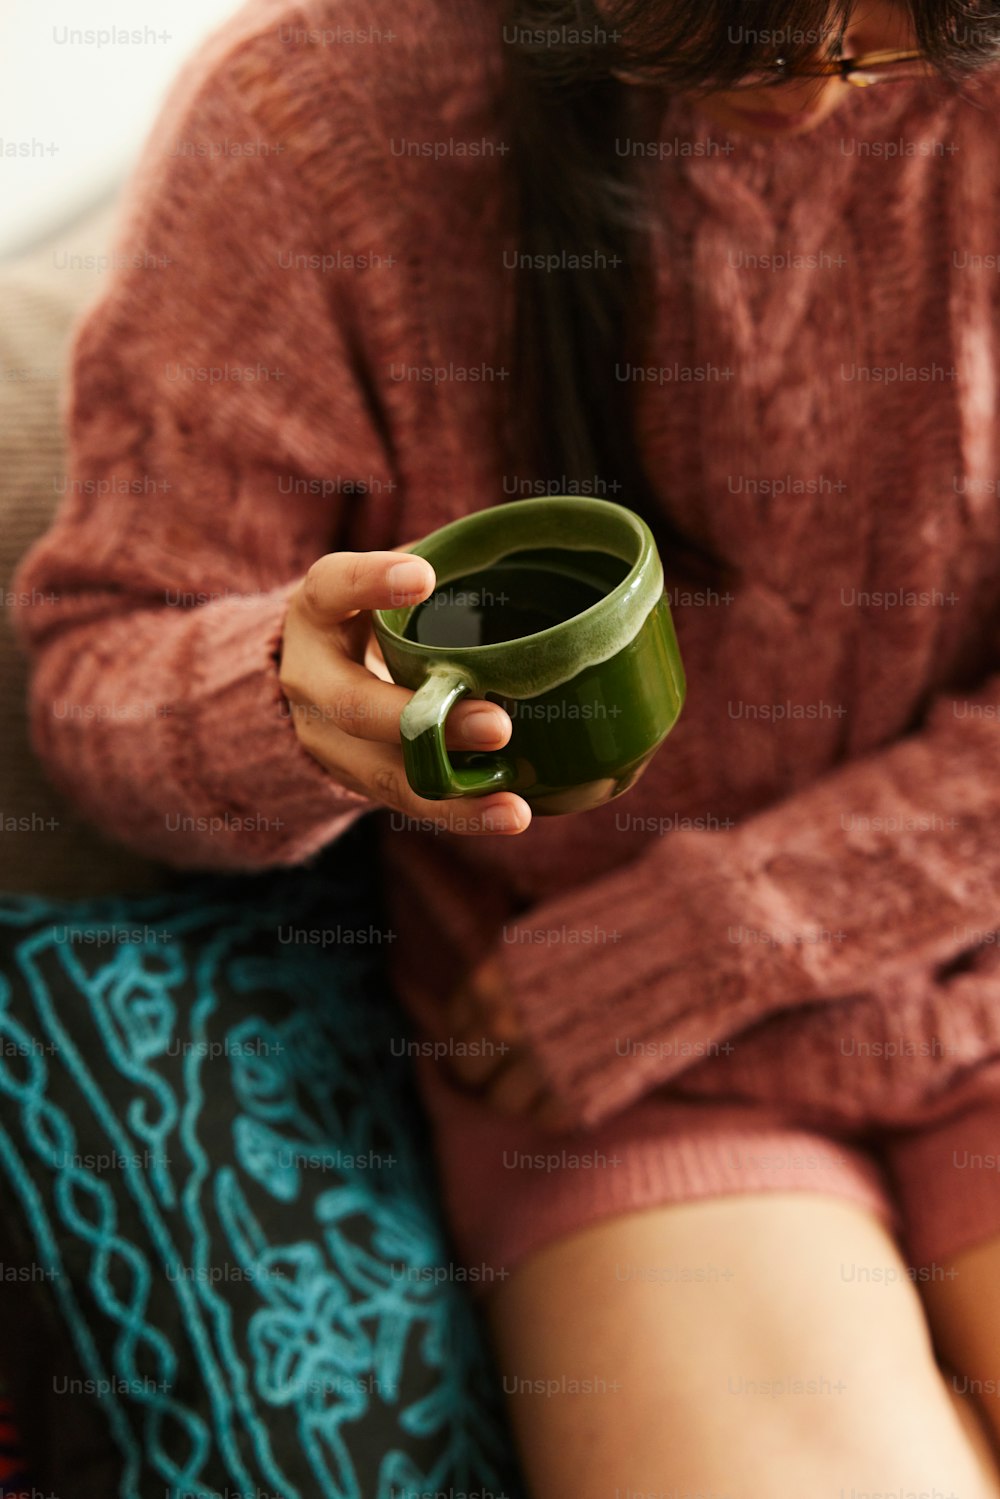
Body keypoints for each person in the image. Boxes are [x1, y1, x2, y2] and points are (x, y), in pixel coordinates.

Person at [13, 0, 1000, 1491]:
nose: (820, 86)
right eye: (763, 25)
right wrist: (284, 711)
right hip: (604, 1090)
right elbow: (99, 670)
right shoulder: (323, 122)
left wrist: (705, 940)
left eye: (895, 41)